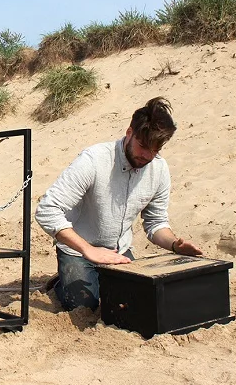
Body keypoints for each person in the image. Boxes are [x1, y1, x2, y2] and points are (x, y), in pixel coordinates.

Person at [35, 97, 202, 311]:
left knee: (130, 305)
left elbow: (155, 223)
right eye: (142, 146)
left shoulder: (159, 169)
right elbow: (47, 210)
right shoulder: (94, 160)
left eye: (155, 150)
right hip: (78, 251)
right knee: (85, 305)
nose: (147, 156)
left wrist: (173, 244)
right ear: (129, 133)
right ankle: (61, 282)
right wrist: (88, 250)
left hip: (119, 252)